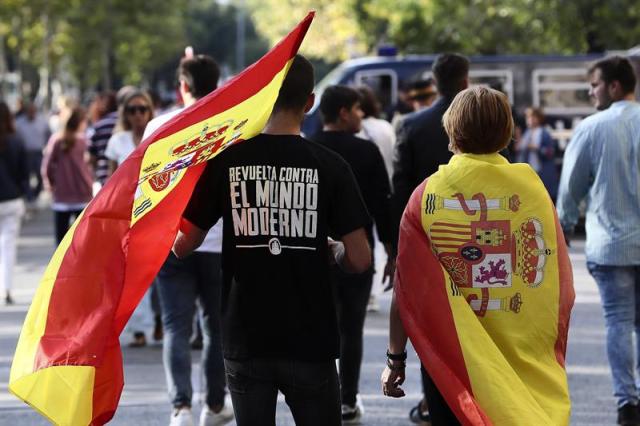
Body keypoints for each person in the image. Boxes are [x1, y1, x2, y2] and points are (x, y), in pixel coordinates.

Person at [173, 54, 372, 426]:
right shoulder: (331, 167)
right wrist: (335, 250)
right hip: (310, 339)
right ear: (310, 102)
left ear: (263, 97)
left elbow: (183, 244)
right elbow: (360, 260)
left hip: (246, 338)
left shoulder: (226, 163)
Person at [382, 86, 574, 425]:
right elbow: (556, 280)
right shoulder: (532, 190)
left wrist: (395, 359)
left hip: (450, 363)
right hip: (522, 359)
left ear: (452, 129)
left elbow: (406, 288)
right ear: (506, 131)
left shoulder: (426, 197)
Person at [143, 54, 234, 426]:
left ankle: (179, 407)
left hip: (172, 240)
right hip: (219, 242)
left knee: (176, 327)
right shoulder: (231, 127)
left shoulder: (158, 126)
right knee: (216, 327)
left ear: (182, 86)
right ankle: (213, 406)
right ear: (218, 84)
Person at [557, 56, 640, 425]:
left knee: (618, 321)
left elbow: (571, 187)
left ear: (614, 86)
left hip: (611, 245)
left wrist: (565, 226)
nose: (590, 92)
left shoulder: (591, 128)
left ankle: (627, 403)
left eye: (594, 85)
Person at [391, 52, 470, 424]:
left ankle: (436, 404)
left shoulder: (411, 125)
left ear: (435, 83)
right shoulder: (486, 120)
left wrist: (396, 251)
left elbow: (400, 194)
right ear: (466, 79)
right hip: (479, 245)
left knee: (434, 334)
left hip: (428, 246)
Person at [313, 85, 393, 423]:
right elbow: (382, 203)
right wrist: (391, 249)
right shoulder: (365, 151)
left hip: (313, 254)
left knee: (318, 325)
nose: (362, 116)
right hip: (358, 250)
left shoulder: (308, 147)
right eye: (358, 109)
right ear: (344, 112)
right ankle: (347, 398)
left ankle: (320, 395)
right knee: (352, 328)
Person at [41, 107, 93, 244]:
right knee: (81, 240)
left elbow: (46, 166)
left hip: (62, 195)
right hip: (82, 193)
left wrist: (50, 184)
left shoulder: (57, 139)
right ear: (80, 122)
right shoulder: (83, 141)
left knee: (61, 241)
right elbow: (88, 167)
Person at [0, 102, 28, 305]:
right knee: (8, 247)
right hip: (12, 200)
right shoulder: (16, 140)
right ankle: (5, 288)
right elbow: (24, 174)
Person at [515, 107, 559, 201]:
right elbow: (520, 149)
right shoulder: (527, 133)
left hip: (542, 171)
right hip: (530, 171)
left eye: (532, 117)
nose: (530, 120)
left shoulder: (544, 133)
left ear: (539, 118)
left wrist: (537, 148)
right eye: (528, 117)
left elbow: (550, 152)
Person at [15, 102, 49, 204]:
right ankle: (29, 195)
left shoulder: (42, 121)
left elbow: (48, 134)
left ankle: (36, 193)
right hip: (25, 153)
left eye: (33, 111)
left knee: (40, 174)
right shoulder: (19, 123)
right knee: (25, 176)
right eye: (29, 112)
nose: (31, 113)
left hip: (38, 152)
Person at [88, 91, 118, 188]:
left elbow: (92, 157)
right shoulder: (125, 122)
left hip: (104, 175)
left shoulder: (98, 126)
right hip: (124, 174)